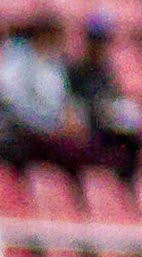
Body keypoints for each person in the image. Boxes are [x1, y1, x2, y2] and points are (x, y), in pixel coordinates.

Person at [0, 15, 90, 173]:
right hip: (23, 131)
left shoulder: (54, 64)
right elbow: (13, 101)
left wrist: (69, 118)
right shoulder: (18, 58)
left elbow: (62, 100)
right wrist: (51, 125)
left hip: (50, 132)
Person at [67, 13, 142, 182]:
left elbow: (113, 100)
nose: (100, 47)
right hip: (84, 129)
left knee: (135, 140)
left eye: (103, 41)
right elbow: (71, 103)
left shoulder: (105, 73)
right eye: (97, 41)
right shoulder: (75, 71)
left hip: (104, 128)